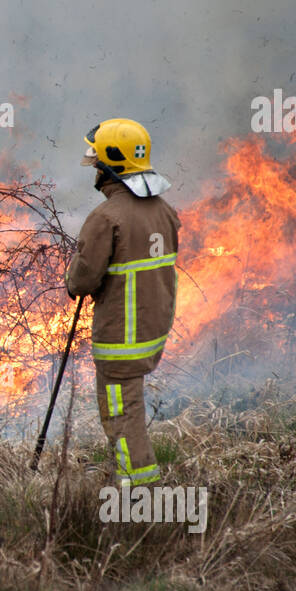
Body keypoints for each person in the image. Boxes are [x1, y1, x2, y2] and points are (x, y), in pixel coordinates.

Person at [64, 118, 180, 487]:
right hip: (152, 330)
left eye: (98, 162)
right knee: (129, 404)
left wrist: (75, 273)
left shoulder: (106, 217)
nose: (94, 169)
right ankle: (134, 479)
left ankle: (140, 490)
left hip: (121, 338)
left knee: (121, 413)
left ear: (111, 165)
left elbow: (82, 280)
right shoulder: (164, 210)